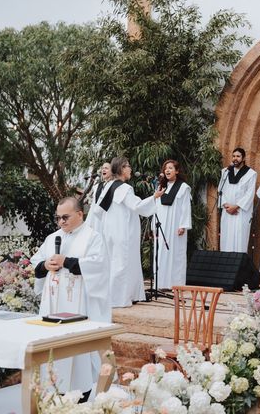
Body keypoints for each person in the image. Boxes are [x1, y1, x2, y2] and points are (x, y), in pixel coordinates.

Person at [31, 197, 111, 398]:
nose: (61, 222)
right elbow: (37, 263)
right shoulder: (53, 238)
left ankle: (80, 393)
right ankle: (51, 392)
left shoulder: (93, 237)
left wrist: (66, 261)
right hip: (52, 306)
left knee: (76, 353)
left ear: (79, 214)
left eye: (65, 217)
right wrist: (45, 265)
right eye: (58, 218)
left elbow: (98, 266)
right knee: (52, 349)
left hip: (78, 307)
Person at [89, 156, 155, 307]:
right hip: (123, 232)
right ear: (121, 169)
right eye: (128, 166)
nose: (130, 169)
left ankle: (113, 296)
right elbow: (137, 206)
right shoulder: (124, 188)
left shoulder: (108, 187)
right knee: (123, 263)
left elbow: (98, 211)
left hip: (110, 231)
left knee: (113, 262)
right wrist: (154, 197)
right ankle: (120, 298)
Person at [145, 160, 192, 289]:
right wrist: (154, 226)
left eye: (171, 168)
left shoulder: (183, 187)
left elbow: (185, 207)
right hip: (162, 226)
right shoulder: (160, 188)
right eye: (166, 168)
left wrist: (183, 225)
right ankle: (161, 283)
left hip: (176, 226)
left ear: (177, 171)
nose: (167, 170)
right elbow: (155, 207)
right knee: (161, 254)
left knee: (176, 255)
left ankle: (176, 284)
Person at [218, 148, 257, 253]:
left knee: (240, 240)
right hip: (227, 212)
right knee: (226, 238)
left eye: (238, 156)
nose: (235, 158)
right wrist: (226, 206)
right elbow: (220, 190)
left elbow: (250, 194)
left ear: (243, 158)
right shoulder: (225, 172)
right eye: (234, 156)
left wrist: (236, 207)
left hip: (241, 212)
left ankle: (239, 267)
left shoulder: (251, 174)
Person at [86, 162, 112, 233]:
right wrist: (89, 223)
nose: (103, 170)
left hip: (109, 221)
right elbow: (93, 206)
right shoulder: (97, 187)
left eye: (106, 168)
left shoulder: (115, 186)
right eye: (103, 168)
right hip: (97, 221)